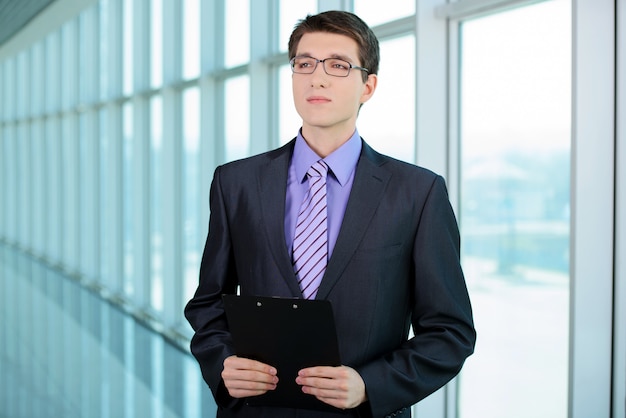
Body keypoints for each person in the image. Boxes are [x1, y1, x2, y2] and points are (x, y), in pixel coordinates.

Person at [185, 10, 476, 418]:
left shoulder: (417, 192)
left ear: (368, 86)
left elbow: (450, 331)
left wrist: (370, 385)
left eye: (338, 65)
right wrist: (222, 364)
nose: (316, 78)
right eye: (304, 64)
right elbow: (209, 301)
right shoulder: (237, 183)